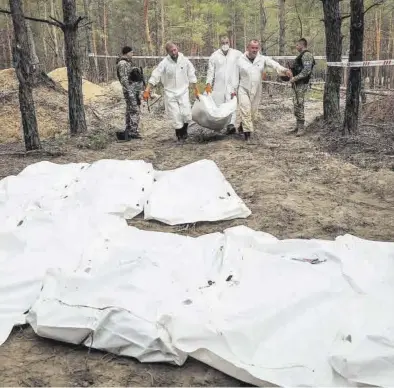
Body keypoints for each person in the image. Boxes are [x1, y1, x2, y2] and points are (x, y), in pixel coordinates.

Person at [234, 39, 292, 140]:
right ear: (248, 48)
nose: (254, 50)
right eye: (252, 48)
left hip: (257, 89)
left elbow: (274, 64)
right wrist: (233, 89)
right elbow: (234, 76)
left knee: (252, 112)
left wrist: (284, 70)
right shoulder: (240, 60)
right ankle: (247, 135)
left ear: (259, 48)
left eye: (256, 48)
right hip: (243, 88)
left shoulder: (262, 59)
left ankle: (241, 127)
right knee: (245, 110)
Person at [143, 42, 200, 141]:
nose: (174, 52)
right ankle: (180, 135)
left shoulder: (185, 61)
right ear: (168, 52)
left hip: (183, 91)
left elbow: (191, 75)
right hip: (170, 92)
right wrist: (147, 90)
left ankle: (184, 131)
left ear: (177, 49)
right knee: (176, 115)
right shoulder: (164, 63)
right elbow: (155, 75)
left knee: (186, 113)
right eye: (171, 51)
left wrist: (196, 90)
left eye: (175, 50)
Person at [205, 36, 242, 134]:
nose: (225, 44)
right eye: (223, 43)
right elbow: (210, 71)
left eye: (227, 42)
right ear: (220, 43)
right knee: (219, 104)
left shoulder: (236, 54)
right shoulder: (214, 56)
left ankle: (231, 125)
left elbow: (245, 62)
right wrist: (208, 83)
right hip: (219, 85)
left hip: (232, 84)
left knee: (231, 103)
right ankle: (219, 125)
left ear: (229, 43)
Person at [288, 38, 315, 136]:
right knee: (296, 103)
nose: (296, 47)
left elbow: (307, 71)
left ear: (301, 45)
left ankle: (301, 128)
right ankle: (298, 125)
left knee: (299, 103)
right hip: (297, 83)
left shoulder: (307, 55)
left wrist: (295, 78)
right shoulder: (301, 55)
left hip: (302, 83)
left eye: (297, 45)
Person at [116, 46, 143, 139]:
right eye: (131, 52)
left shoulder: (127, 63)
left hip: (132, 90)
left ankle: (129, 129)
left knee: (130, 110)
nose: (132, 54)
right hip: (130, 91)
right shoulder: (123, 63)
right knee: (134, 110)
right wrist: (130, 92)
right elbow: (124, 79)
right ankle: (133, 132)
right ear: (127, 53)